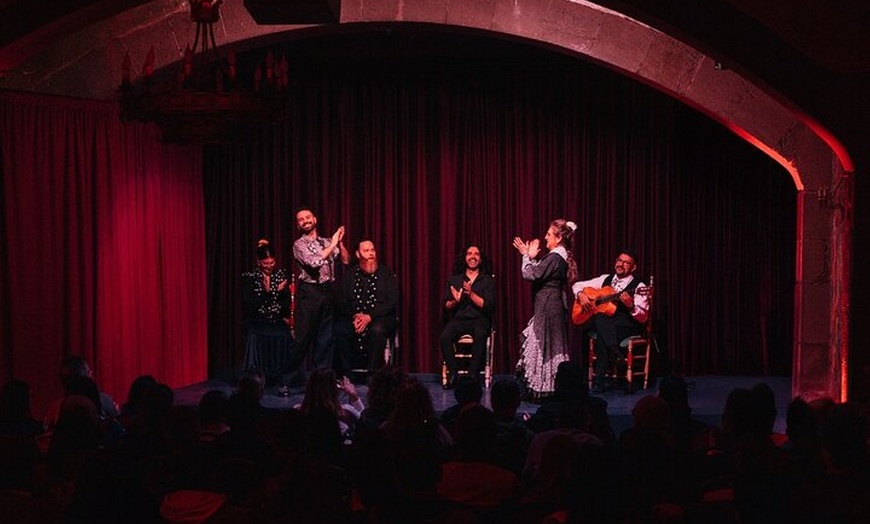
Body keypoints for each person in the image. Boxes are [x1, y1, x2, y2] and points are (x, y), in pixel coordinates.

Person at [512, 219, 577, 398]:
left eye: (549, 234)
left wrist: (526, 256)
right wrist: (531, 257)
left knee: (543, 344)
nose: (545, 237)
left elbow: (531, 274)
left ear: (558, 238)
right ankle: (544, 385)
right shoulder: (556, 257)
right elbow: (540, 273)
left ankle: (546, 388)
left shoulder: (555, 257)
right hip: (550, 304)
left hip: (549, 306)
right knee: (545, 345)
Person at [572, 251, 649, 392]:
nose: (621, 264)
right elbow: (577, 285)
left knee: (602, 326)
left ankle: (600, 379)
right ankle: (614, 353)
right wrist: (580, 294)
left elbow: (643, 317)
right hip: (607, 324)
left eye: (626, 263)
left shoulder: (639, 286)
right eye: (619, 260)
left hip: (626, 325)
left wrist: (631, 306)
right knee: (602, 320)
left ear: (633, 268)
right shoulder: (605, 279)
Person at [290, 206, 350, 382]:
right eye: (301, 219)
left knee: (325, 339)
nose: (305, 221)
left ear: (315, 219)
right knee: (302, 339)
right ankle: (287, 379)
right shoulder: (299, 245)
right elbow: (314, 262)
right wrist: (333, 243)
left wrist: (339, 242)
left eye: (308, 217)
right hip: (310, 293)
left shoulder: (326, 242)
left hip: (327, 291)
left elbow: (345, 260)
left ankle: (321, 381)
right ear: (298, 225)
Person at [333, 239, 399, 378]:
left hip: (379, 317)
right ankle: (346, 375)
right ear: (358, 254)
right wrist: (356, 316)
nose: (371, 254)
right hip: (354, 317)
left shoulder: (386, 273)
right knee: (339, 330)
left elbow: (392, 302)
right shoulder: (350, 275)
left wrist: (369, 317)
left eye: (372, 250)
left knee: (378, 330)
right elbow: (341, 301)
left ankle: (372, 374)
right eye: (366, 250)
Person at [439, 245, 495, 389]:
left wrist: (470, 294)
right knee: (445, 337)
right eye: (469, 254)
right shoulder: (455, 280)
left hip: (479, 319)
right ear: (465, 258)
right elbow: (446, 305)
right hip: (460, 319)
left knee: (480, 334)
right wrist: (455, 301)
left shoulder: (487, 280)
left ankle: (472, 377)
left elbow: (488, 306)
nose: (473, 257)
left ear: (480, 259)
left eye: (476, 254)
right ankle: (454, 375)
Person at [242, 239, 294, 384]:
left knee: (285, 334)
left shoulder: (281, 275)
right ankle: (255, 378)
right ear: (258, 262)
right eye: (266, 263)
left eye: (272, 263)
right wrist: (273, 292)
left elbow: (285, 303)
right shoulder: (250, 278)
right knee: (254, 334)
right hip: (257, 319)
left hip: (276, 319)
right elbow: (253, 304)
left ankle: (282, 377)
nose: (269, 266)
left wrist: (278, 296)